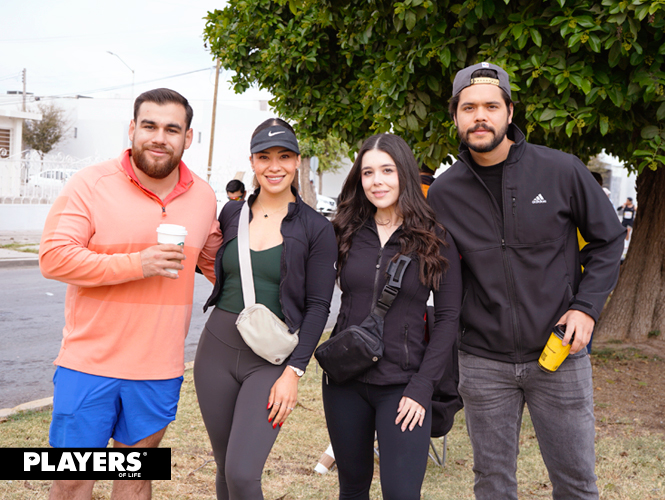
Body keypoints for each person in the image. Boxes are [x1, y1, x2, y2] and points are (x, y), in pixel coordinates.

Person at [428, 62, 625, 500]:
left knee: (576, 484)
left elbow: (609, 239)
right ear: (456, 116)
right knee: (493, 485)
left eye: (491, 106)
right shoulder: (444, 192)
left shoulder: (561, 170)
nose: (480, 116)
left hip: (560, 355)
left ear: (509, 112)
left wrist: (586, 307)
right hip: (482, 363)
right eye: (469, 107)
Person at [39, 88, 222, 500]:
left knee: (135, 480)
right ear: (133, 129)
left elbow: (218, 266)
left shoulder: (204, 197)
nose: (160, 137)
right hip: (88, 365)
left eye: (172, 129)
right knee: (71, 481)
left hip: (159, 370)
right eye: (150, 126)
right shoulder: (90, 184)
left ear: (187, 138)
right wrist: (138, 264)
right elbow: (53, 257)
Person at [193, 118, 337, 499]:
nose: (275, 166)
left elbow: (320, 306)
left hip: (271, 361)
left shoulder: (316, 228)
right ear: (252, 162)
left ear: (297, 162)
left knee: (243, 473)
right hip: (216, 352)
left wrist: (294, 372)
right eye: (265, 157)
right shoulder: (230, 214)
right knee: (225, 469)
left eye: (284, 156)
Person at [322, 133, 462, 500]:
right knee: (352, 489)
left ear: (405, 173)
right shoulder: (344, 231)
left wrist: (422, 387)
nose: (377, 181)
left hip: (404, 386)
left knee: (401, 493)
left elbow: (448, 318)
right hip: (344, 381)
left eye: (387, 170)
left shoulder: (434, 237)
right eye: (368, 172)